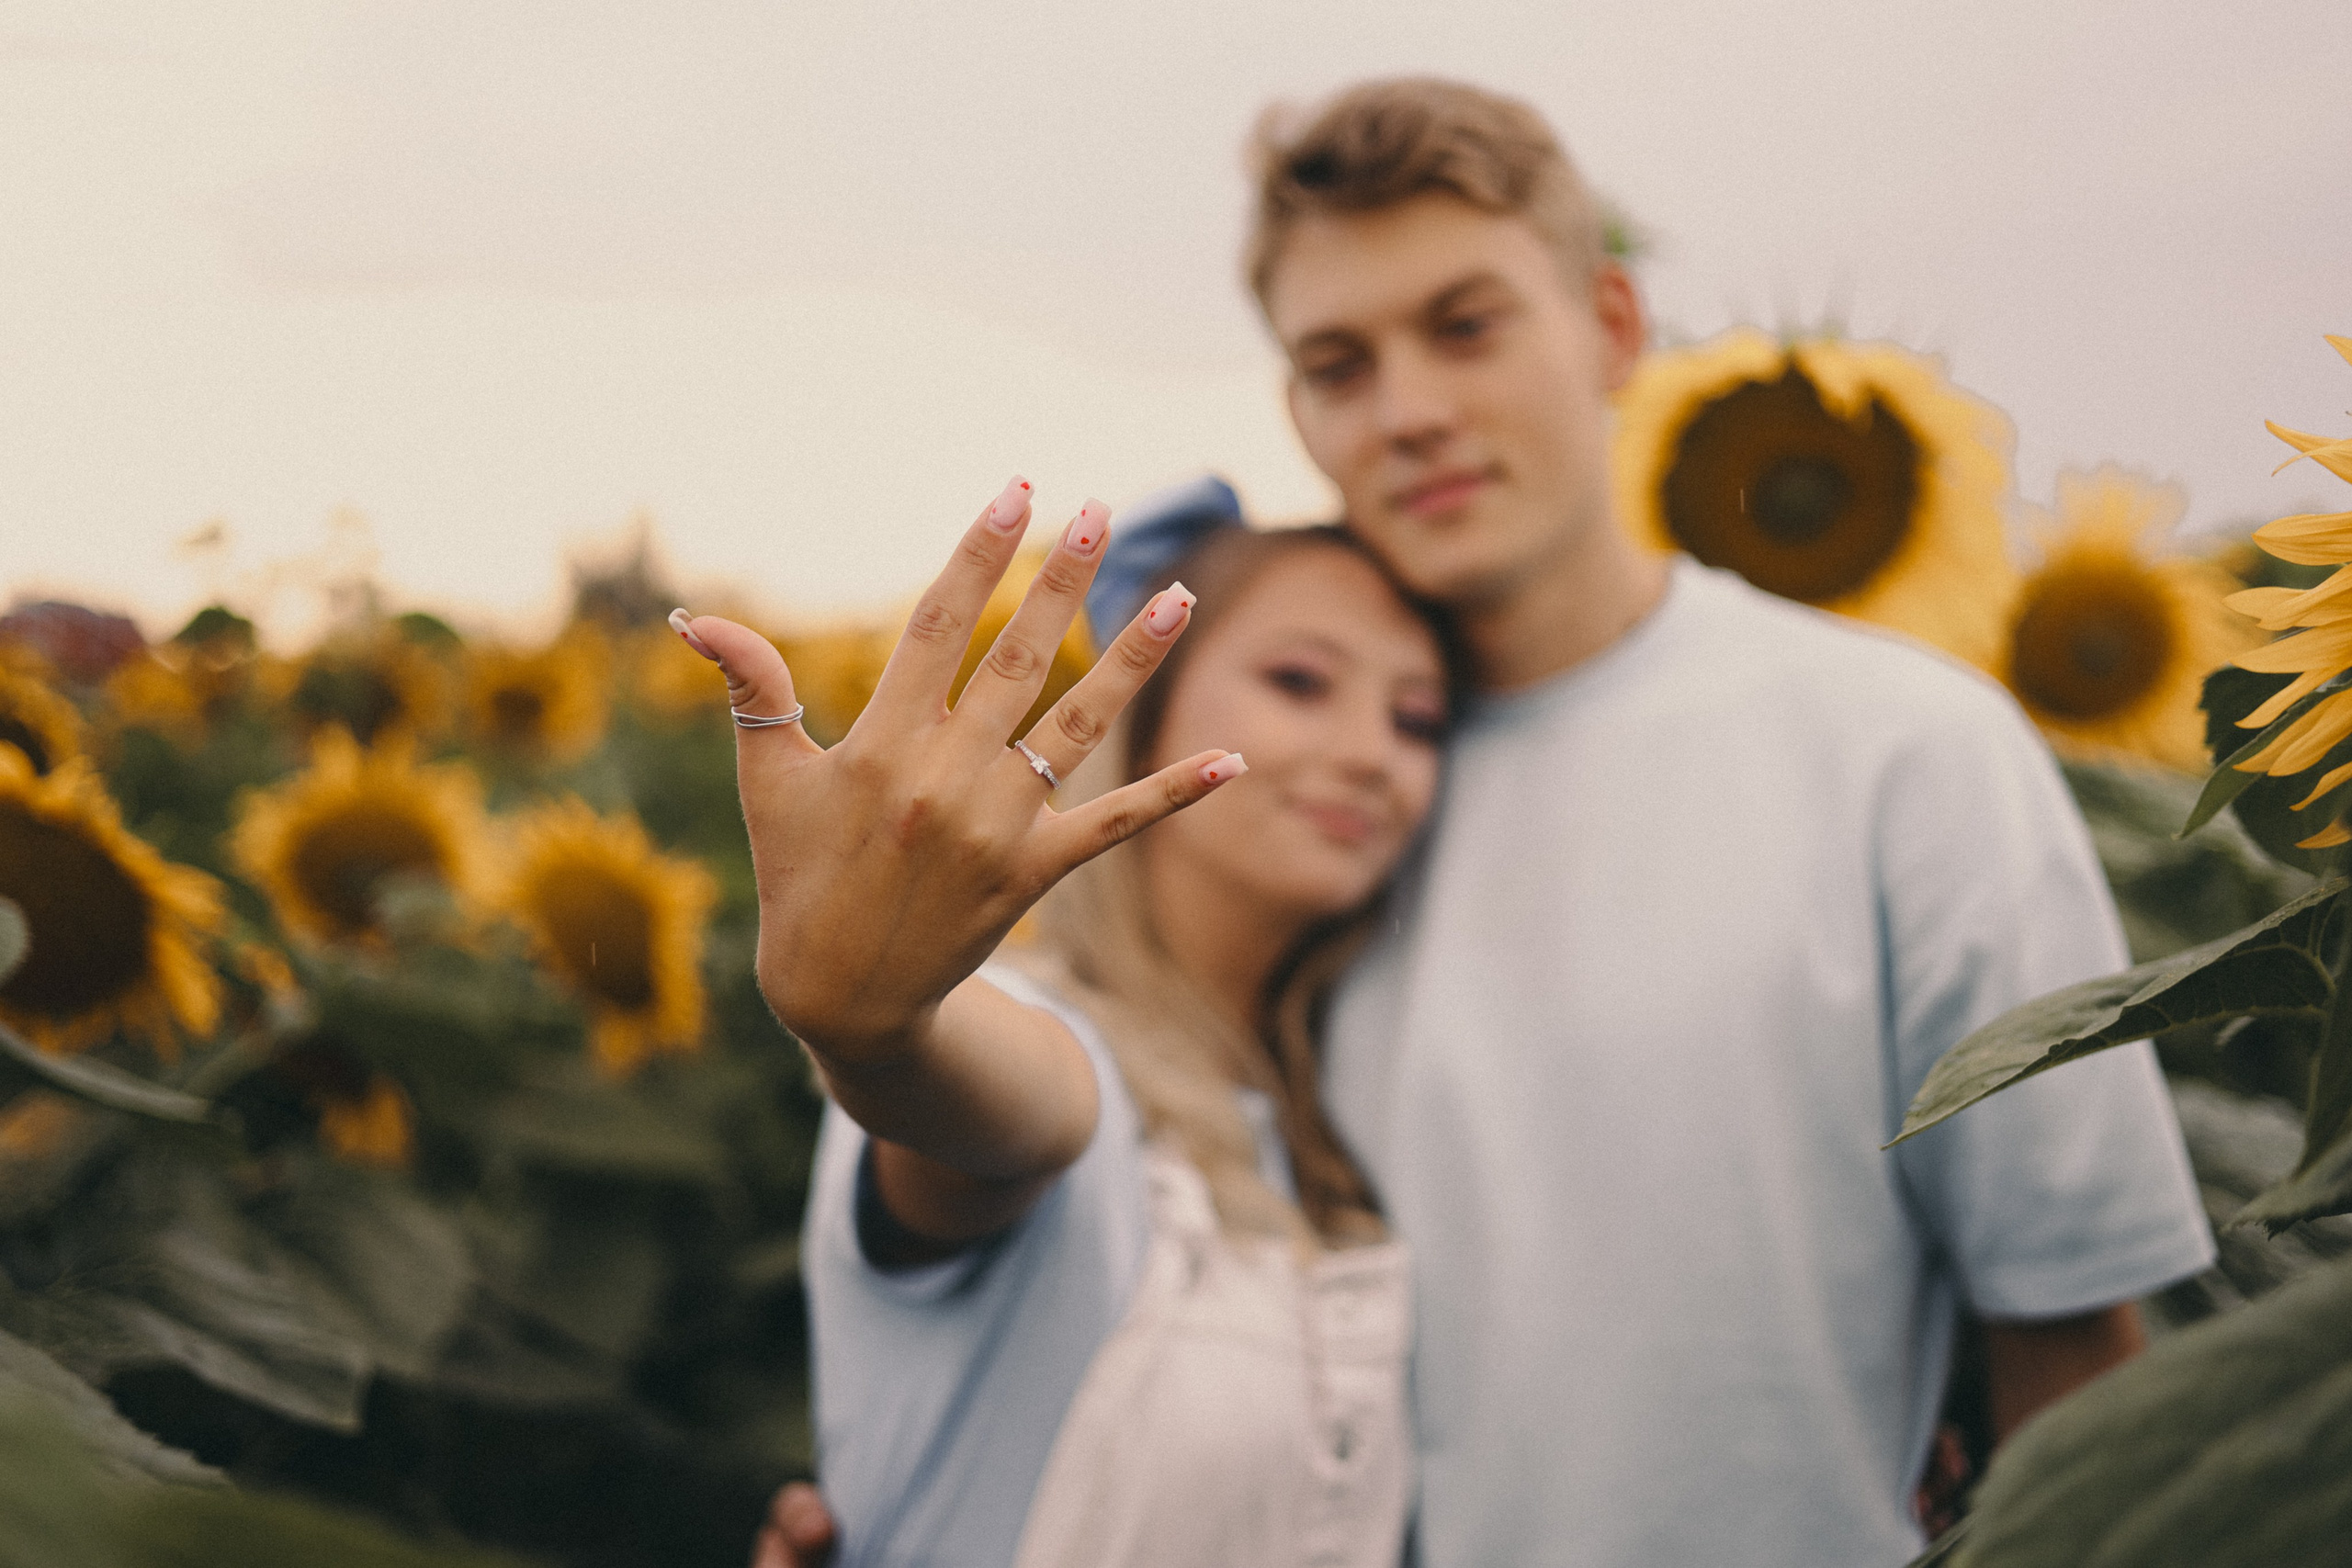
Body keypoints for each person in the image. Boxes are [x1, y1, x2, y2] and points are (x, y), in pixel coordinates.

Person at [754, 78, 2219, 1568]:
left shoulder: (1908, 755)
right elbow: (1018, 1120)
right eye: (1340, 361)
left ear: (1612, 329)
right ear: (1300, 410)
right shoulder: (1284, 834)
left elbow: (2075, 1357)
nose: (1410, 410)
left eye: (1466, 325)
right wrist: (874, 1034)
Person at [678, 474, 1465, 1567]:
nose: (1372, 752)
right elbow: (1005, 1112)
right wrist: (874, 1025)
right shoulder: (1052, 1040)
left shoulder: (1347, 1116)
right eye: (1300, 680)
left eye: (1418, 719)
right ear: (1148, 714)